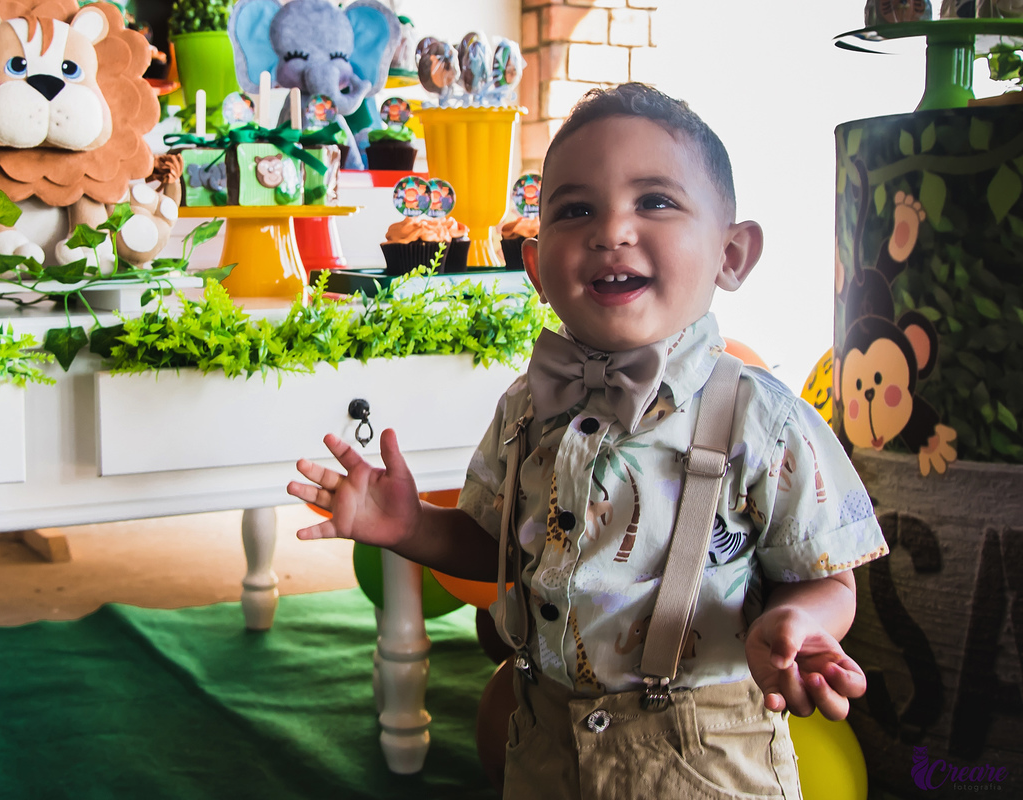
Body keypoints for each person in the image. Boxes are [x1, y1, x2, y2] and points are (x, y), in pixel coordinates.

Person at [287, 83, 887, 799]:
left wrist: (797, 622)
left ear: (732, 254)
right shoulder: (525, 407)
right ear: (538, 268)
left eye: (655, 202)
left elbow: (827, 574)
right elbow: (500, 549)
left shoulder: (763, 418)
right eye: (576, 210)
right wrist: (413, 528)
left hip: (702, 754)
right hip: (545, 743)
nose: (612, 231)